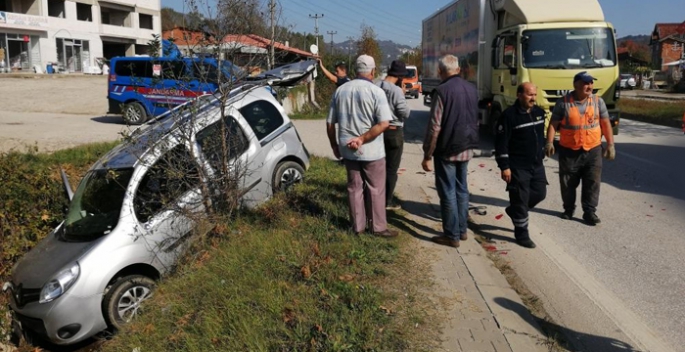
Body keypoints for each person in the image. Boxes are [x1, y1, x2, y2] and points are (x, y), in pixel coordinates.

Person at [326, 54, 398, 238]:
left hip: (348, 150)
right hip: (372, 150)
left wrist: (334, 145)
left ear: (355, 71)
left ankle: (357, 227)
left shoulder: (340, 90)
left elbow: (329, 123)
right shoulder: (376, 92)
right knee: (375, 188)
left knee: (354, 187)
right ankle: (378, 227)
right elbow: (383, 123)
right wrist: (362, 139)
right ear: (373, 71)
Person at [422, 54, 479, 248]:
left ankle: (452, 235)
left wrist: (427, 153)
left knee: (448, 192)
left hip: (448, 148)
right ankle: (462, 231)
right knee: (462, 189)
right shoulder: (472, 89)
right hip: (467, 145)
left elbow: (434, 126)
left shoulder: (442, 91)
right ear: (458, 69)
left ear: (440, 71)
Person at [545, 71, 615, 225]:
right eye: (585, 83)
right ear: (575, 85)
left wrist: (610, 144)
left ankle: (589, 212)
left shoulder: (598, 102)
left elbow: (605, 124)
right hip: (569, 150)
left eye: (591, 82)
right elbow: (553, 124)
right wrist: (549, 142)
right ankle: (569, 209)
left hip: (593, 149)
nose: (589, 85)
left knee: (592, 182)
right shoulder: (563, 103)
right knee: (568, 182)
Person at [495, 83, 547, 248]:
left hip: (536, 165)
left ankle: (515, 210)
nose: (533, 98)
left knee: (540, 193)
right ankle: (522, 234)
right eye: (529, 95)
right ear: (519, 95)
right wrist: (504, 166)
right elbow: (501, 143)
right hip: (518, 167)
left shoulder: (539, 113)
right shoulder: (509, 116)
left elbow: (540, 135)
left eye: (534, 95)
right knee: (520, 199)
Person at [376, 60, 411, 210]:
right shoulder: (397, 91)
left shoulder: (375, 85)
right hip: (394, 131)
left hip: (377, 131)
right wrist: (402, 95)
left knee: (377, 166)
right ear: (401, 76)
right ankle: (386, 201)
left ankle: (374, 196)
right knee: (391, 169)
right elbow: (405, 112)